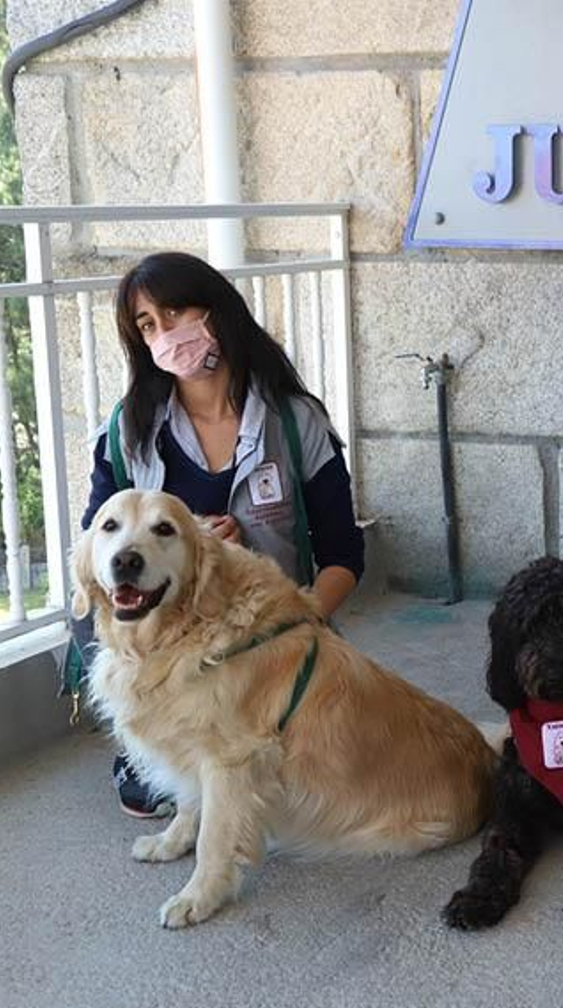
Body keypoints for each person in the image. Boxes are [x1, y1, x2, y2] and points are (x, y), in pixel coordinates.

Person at [75, 252, 364, 817]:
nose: (165, 335)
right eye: (148, 325)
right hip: (165, 646)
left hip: (262, 643)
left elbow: (345, 555)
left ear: (217, 312)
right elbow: (98, 544)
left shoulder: (294, 422)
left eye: (175, 313)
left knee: (304, 789)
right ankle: (152, 733)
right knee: (173, 789)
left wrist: (297, 620)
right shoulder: (127, 430)